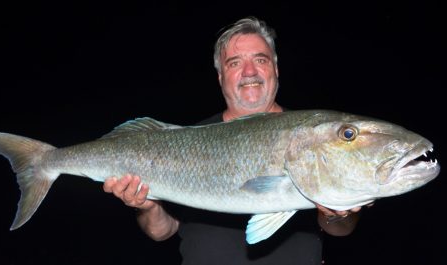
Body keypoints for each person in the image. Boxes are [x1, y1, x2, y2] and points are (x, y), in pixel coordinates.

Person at [104, 17, 363, 264]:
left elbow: (341, 230)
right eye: (235, 63)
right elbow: (161, 231)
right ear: (220, 77)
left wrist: (334, 215)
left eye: (260, 59)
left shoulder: (311, 137)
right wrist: (147, 206)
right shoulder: (187, 140)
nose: (249, 72)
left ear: (275, 68)